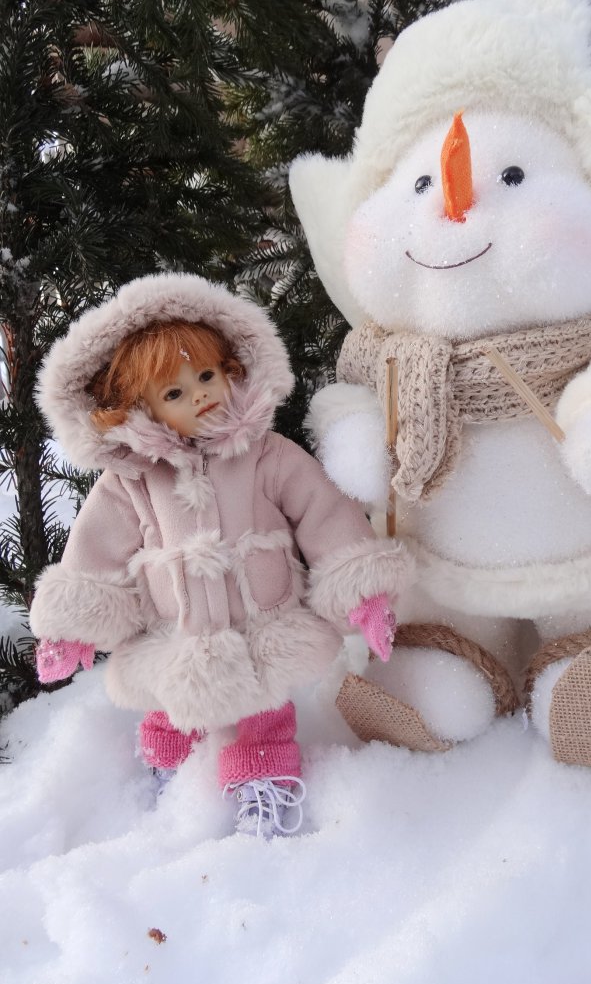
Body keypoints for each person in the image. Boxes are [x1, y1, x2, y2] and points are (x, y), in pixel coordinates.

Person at [30, 272, 412, 836]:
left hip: (264, 617)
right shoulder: (131, 478)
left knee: (265, 709)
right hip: (175, 626)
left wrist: (361, 592)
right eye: (175, 393)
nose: (200, 395)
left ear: (231, 371)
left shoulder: (267, 454)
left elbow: (323, 513)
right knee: (170, 705)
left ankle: (265, 782)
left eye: (206, 376)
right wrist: (72, 627)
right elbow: (97, 548)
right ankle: (167, 757)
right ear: (143, 409)